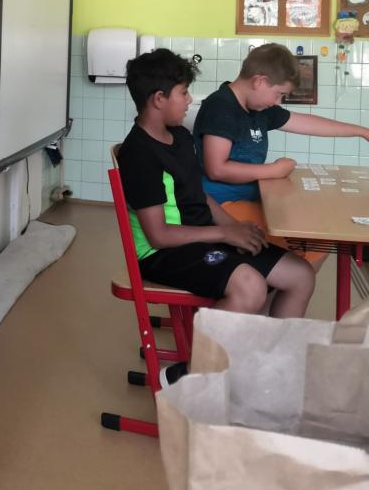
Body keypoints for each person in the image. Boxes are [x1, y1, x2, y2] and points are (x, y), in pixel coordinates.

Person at [118, 49, 315, 382]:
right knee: (250, 286)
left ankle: (266, 364)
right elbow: (159, 235)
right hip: (162, 254)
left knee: (300, 275)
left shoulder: (179, 136)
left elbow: (200, 196)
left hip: (198, 234)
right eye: (183, 92)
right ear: (158, 99)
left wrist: (235, 227)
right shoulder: (139, 154)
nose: (189, 100)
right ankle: (187, 376)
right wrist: (224, 234)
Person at [194, 42, 369, 265]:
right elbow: (217, 169)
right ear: (259, 81)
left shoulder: (258, 107)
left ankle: (282, 283)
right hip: (221, 206)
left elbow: (307, 123)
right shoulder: (221, 107)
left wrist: (362, 131)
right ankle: (277, 282)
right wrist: (273, 170)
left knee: (320, 239)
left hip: (253, 197)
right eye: (279, 94)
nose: (277, 102)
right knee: (301, 254)